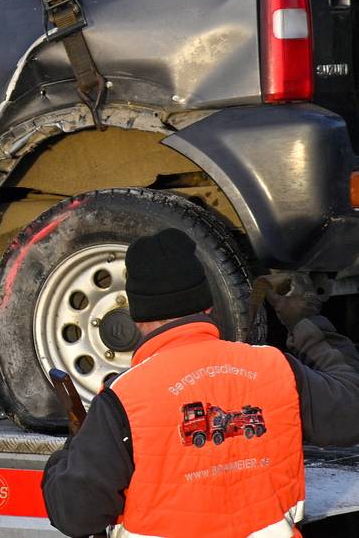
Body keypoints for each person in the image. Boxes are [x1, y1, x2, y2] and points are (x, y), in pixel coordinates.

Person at [41, 227, 359, 538]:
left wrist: (73, 448)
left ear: (135, 317)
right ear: (207, 305)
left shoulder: (124, 399)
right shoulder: (275, 368)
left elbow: (75, 516)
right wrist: (305, 322)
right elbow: (351, 412)